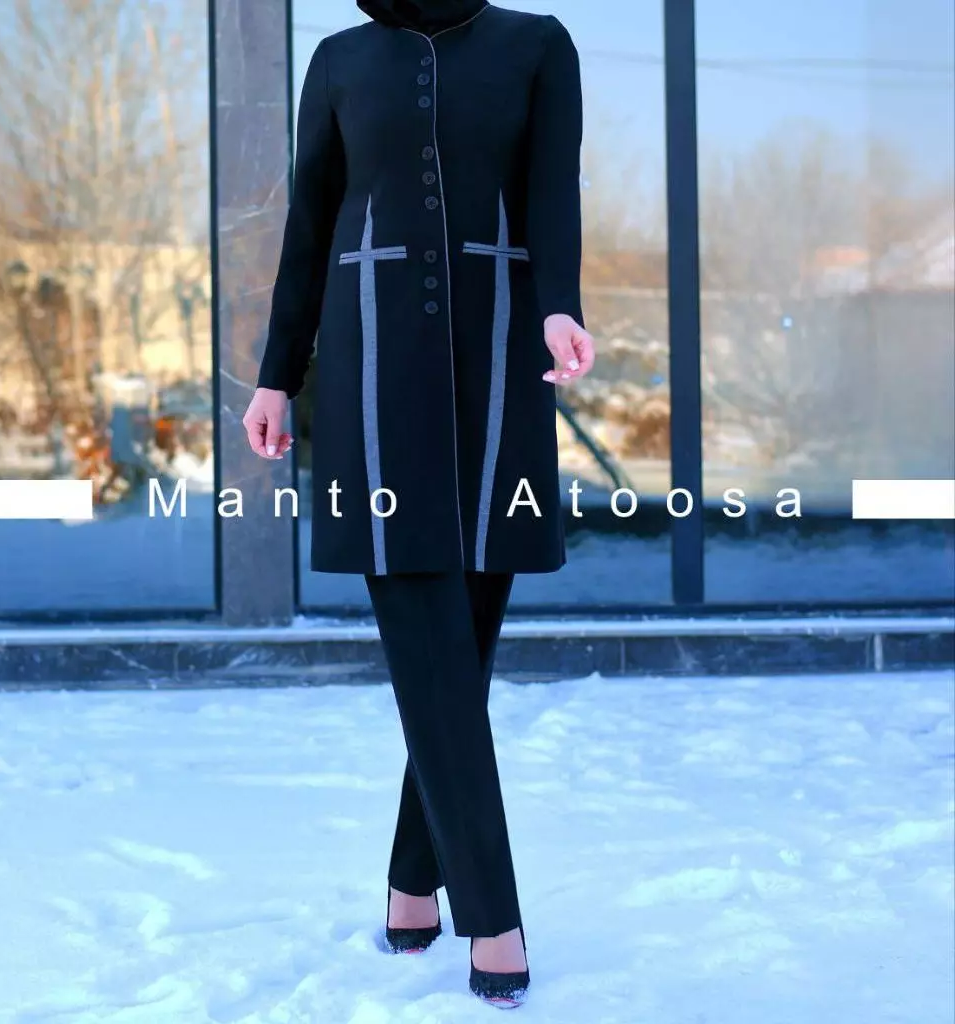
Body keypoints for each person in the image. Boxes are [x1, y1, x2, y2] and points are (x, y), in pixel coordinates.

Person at [242, 0, 595, 1007]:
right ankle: (493, 915)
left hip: (500, 358)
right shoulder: (339, 60)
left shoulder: (537, 46)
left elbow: (551, 191)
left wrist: (560, 305)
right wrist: (277, 375)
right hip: (371, 367)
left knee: (459, 650)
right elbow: (310, 223)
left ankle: (410, 880)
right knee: (429, 636)